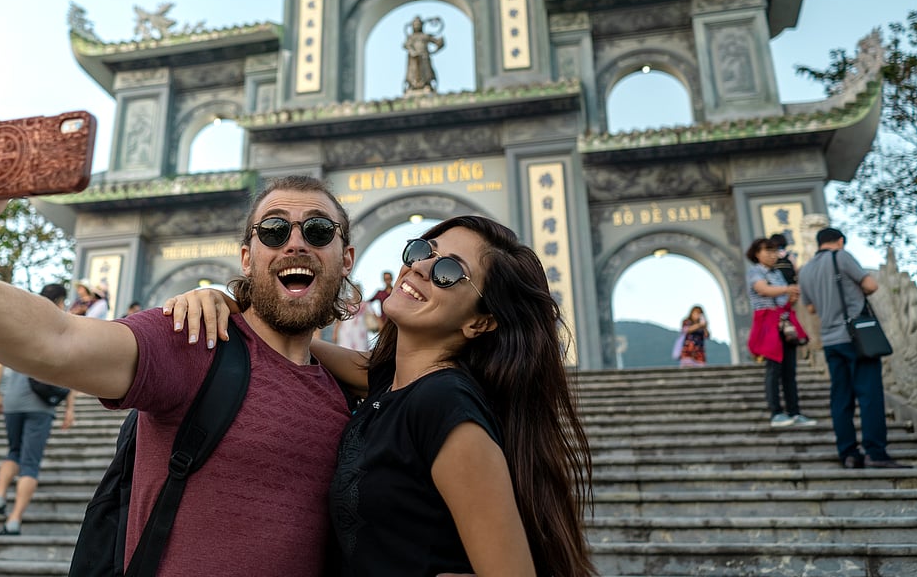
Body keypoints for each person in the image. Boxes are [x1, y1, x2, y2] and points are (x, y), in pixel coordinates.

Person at [0, 112, 357, 575]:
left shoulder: (356, 392)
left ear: (347, 257)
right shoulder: (196, 339)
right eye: (274, 230)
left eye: (318, 231)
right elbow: (55, 339)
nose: (295, 243)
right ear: (247, 256)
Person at [168, 216, 596, 575]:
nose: (422, 268)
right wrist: (227, 302)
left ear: (480, 323)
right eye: (421, 251)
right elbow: (294, 341)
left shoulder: (444, 406)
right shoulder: (390, 385)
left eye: (449, 272)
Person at [797, 228, 908, 469]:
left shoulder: (805, 271)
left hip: (830, 340)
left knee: (841, 398)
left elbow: (811, 309)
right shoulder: (841, 256)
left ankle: (848, 453)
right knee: (869, 395)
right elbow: (871, 285)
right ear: (840, 241)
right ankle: (875, 452)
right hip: (856, 338)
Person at [0, 283, 78, 535]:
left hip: (13, 400)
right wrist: (70, 408)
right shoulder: (60, 325)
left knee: (13, 450)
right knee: (30, 463)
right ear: (60, 300)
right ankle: (14, 521)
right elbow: (70, 372)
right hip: (41, 405)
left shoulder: (20, 322)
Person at [745, 237, 817, 430]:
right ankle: (776, 412)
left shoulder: (777, 273)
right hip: (768, 324)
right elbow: (763, 289)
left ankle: (794, 411)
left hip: (784, 323)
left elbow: (784, 299)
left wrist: (792, 296)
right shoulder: (755, 272)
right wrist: (787, 288)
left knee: (789, 371)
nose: (771, 255)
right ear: (756, 254)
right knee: (773, 370)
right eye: (766, 251)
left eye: (774, 251)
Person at [402, 15, 445, 93]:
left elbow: (437, 42)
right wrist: (412, 51)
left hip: (424, 56)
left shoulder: (425, 36)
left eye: (418, 24)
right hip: (414, 58)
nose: (417, 26)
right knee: (413, 71)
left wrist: (439, 44)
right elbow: (406, 45)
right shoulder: (411, 37)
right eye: (415, 24)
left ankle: (427, 84)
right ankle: (412, 85)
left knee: (426, 70)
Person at [331, 283, 370, 350]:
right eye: (354, 291)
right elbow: (340, 320)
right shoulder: (345, 305)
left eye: (357, 291)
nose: (355, 293)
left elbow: (375, 317)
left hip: (360, 333)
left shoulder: (365, 305)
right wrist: (335, 332)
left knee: (360, 351)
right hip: (346, 332)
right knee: (345, 351)